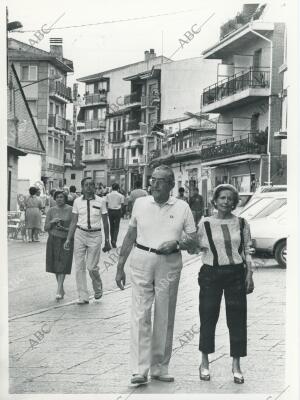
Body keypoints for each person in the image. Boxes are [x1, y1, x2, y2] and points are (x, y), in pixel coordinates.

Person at [115, 165, 198, 385]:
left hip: (169, 263)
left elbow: (194, 239)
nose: (154, 184)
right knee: (140, 314)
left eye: (160, 181)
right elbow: (131, 233)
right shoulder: (140, 204)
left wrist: (178, 244)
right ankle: (139, 370)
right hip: (142, 259)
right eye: (152, 180)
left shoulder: (182, 207)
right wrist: (120, 264)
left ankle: (160, 368)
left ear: (171, 185)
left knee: (165, 314)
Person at [197, 184, 254, 384]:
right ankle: (204, 361)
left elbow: (247, 250)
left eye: (230, 198)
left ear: (235, 202)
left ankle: (236, 364)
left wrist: (249, 274)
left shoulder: (242, 223)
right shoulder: (204, 223)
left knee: (237, 319)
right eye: (222, 198)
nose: (226, 202)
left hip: (235, 274)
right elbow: (196, 246)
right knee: (208, 316)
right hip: (210, 274)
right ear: (215, 200)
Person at [64, 178, 111, 304]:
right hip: (80, 234)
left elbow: (106, 222)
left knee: (91, 267)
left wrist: (107, 240)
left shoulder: (101, 201)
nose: (89, 187)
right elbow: (74, 221)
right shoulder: (77, 202)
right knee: (79, 267)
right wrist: (69, 238)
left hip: (95, 236)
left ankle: (97, 286)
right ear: (82, 187)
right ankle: (83, 296)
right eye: (86, 185)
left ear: (95, 187)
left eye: (91, 185)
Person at [44, 190, 73, 300]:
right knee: (56, 265)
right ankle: (61, 289)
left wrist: (64, 228)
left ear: (65, 198)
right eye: (57, 197)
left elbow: (74, 226)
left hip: (66, 240)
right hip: (53, 239)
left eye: (61, 197)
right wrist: (52, 222)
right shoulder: (51, 210)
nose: (59, 199)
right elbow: (45, 228)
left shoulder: (70, 210)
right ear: (54, 199)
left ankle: (58, 290)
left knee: (63, 264)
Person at [106, 183, 124, 248]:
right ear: (118, 188)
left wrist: (107, 211)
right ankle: (114, 240)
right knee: (117, 227)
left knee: (111, 226)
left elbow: (106, 203)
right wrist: (121, 212)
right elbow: (122, 205)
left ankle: (111, 240)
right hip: (117, 211)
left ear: (112, 188)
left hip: (110, 211)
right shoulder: (121, 195)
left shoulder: (108, 195)